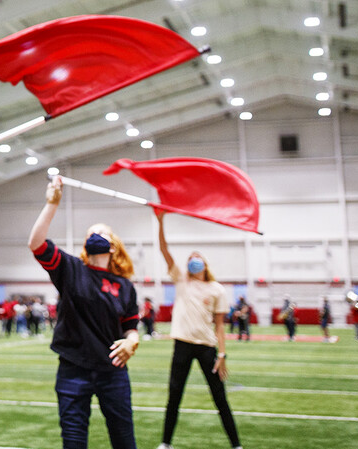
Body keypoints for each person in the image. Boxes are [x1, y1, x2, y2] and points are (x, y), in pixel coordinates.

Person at [29, 177, 140, 449]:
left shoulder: (125, 286)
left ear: (112, 246)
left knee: (124, 440)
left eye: (102, 233)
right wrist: (52, 204)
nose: (95, 236)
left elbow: (131, 326)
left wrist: (132, 340)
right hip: (72, 368)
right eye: (91, 233)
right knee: (74, 441)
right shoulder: (70, 269)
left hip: (113, 371)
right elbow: (36, 243)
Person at [155, 213, 241, 449]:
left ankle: (236, 444)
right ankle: (165, 443)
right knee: (174, 395)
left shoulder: (216, 289)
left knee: (219, 397)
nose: (194, 260)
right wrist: (161, 221)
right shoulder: (181, 281)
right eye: (191, 258)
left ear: (204, 264)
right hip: (182, 345)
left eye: (197, 258)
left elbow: (220, 326)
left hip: (206, 348)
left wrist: (222, 355)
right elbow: (164, 249)